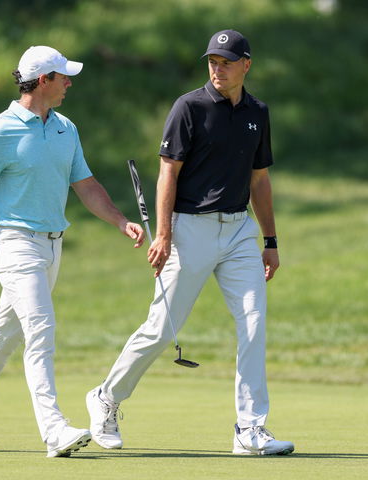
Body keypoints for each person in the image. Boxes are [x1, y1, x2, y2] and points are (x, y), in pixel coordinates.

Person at [0, 45, 145, 458]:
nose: (69, 83)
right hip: (13, 244)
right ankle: (54, 429)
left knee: (3, 339)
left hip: (52, 247)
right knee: (40, 329)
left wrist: (118, 220)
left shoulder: (65, 128)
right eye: (63, 77)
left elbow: (86, 185)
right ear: (43, 81)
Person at [85, 30, 295, 456]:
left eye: (226, 61)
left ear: (246, 65)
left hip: (239, 230)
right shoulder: (190, 107)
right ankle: (106, 398)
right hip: (189, 230)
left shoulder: (258, 112)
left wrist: (270, 238)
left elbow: (259, 179)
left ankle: (250, 429)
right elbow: (168, 173)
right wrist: (163, 234)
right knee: (161, 330)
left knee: (253, 323)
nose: (218, 68)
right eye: (212, 61)